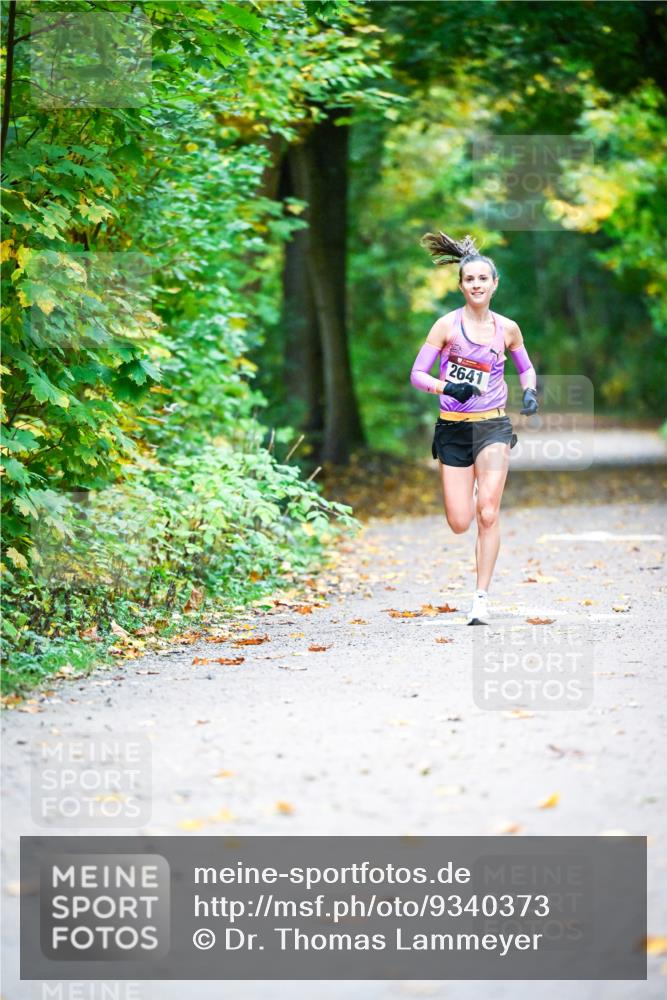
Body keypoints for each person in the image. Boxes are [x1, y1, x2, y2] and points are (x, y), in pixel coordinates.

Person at [410, 231, 538, 625]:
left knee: (487, 512)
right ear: (462, 285)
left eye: (484, 279)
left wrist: (530, 391)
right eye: (470, 280)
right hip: (452, 428)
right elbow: (417, 374)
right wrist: (449, 386)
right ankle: (472, 492)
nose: (477, 285)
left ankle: (481, 599)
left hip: (493, 427)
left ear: (494, 284)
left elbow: (526, 368)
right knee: (460, 521)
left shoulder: (508, 329)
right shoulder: (445, 327)